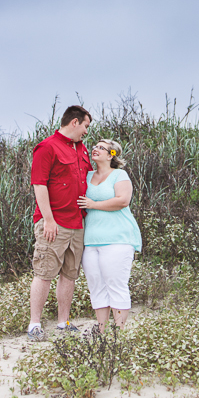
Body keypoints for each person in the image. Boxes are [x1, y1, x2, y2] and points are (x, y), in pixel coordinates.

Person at [28, 105, 93, 341]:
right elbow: (39, 184)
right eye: (85, 125)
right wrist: (48, 219)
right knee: (44, 272)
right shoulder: (47, 147)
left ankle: (63, 323)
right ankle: (34, 324)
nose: (86, 131)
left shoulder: (81, 149)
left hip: (77, 223)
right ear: (74, 122)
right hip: (54, 223)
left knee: (70, 274)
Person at [77, 139, 142, 330]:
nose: (95, 149)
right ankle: (102, 330)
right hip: (90, 240)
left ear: (111, 155)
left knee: (116, 284)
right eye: (95, 146)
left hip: (117, 239)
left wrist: (93, 204)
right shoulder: (87, 175)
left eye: (101, 147)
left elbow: (123, 201)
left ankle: (119, 332)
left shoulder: (119, 175)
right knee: (96, 286)